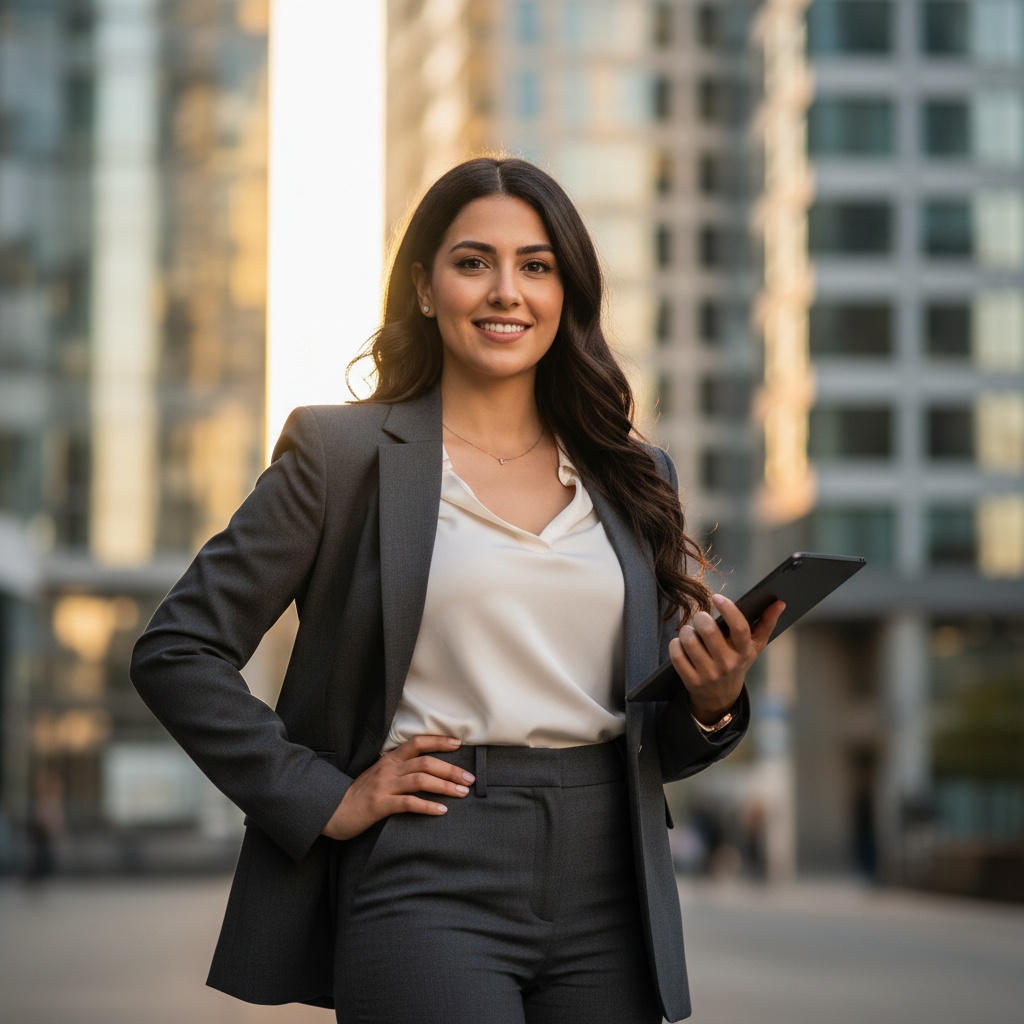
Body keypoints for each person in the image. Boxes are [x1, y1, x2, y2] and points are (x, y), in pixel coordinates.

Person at [130, 156, 783, 1024]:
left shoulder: (634, 476)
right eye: (474, 262)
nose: (506, 291)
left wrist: (712, 701)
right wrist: (323, 796)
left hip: (611, 873)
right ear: (427, 289)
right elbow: (178, 651)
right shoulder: (340, 456)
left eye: (536, 266)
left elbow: (656, 734)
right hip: (427, 865)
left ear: (567, 294)